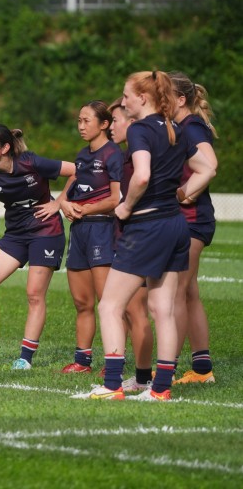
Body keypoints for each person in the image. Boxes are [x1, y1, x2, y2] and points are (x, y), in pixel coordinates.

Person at [77, 71, 212, 401]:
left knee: (109, 305)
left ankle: (112, 386)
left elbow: (141, 177)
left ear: (143, 98)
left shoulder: (139, 129)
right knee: (162, 309)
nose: (122, 102)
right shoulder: (175, 128)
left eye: (126, 96)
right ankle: (160, 389)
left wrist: (125, 208)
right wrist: (181, 194)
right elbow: (207, 168)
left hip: (147, 226)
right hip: (176, 226)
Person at [0, 125, 75, 371]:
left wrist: (59, 203)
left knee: (34, 294)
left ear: (5, 148)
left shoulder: (30, 162)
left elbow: (77, 171)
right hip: (16, 235)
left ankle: (25, 358)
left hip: (46, 232)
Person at [54, 101, 122, 374]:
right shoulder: (82, 155)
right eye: (79, 121)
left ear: (104, 124)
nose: (81, 126)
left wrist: (86, 209)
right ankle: (82, 362)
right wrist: (64, 203)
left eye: (86, 121)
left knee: (107, 302)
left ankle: (113, 360)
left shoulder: (114, 154)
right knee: (82, 302)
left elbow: (117, 198)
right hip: (80, 232)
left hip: (103, 230)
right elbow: (72, 190)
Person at [169, 72, 219, 386]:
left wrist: (184, 192)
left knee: (175, 292)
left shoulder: (191, 126)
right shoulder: (182, 127)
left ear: (181, 99)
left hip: (192, 220)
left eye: (164, 95)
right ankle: (202, 369)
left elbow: (210, 165)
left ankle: (165, 368)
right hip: (189, 219)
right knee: (188, 293)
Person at [107, 101, 156, 393]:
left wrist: (125, 209)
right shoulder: (126, 156)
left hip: (139, 235)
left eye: (114, 120)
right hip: (126, 234)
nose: (111, 126)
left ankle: (143, 377)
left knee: (137, 309)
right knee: (128, 308)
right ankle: (143, 376)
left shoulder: (140, 156)